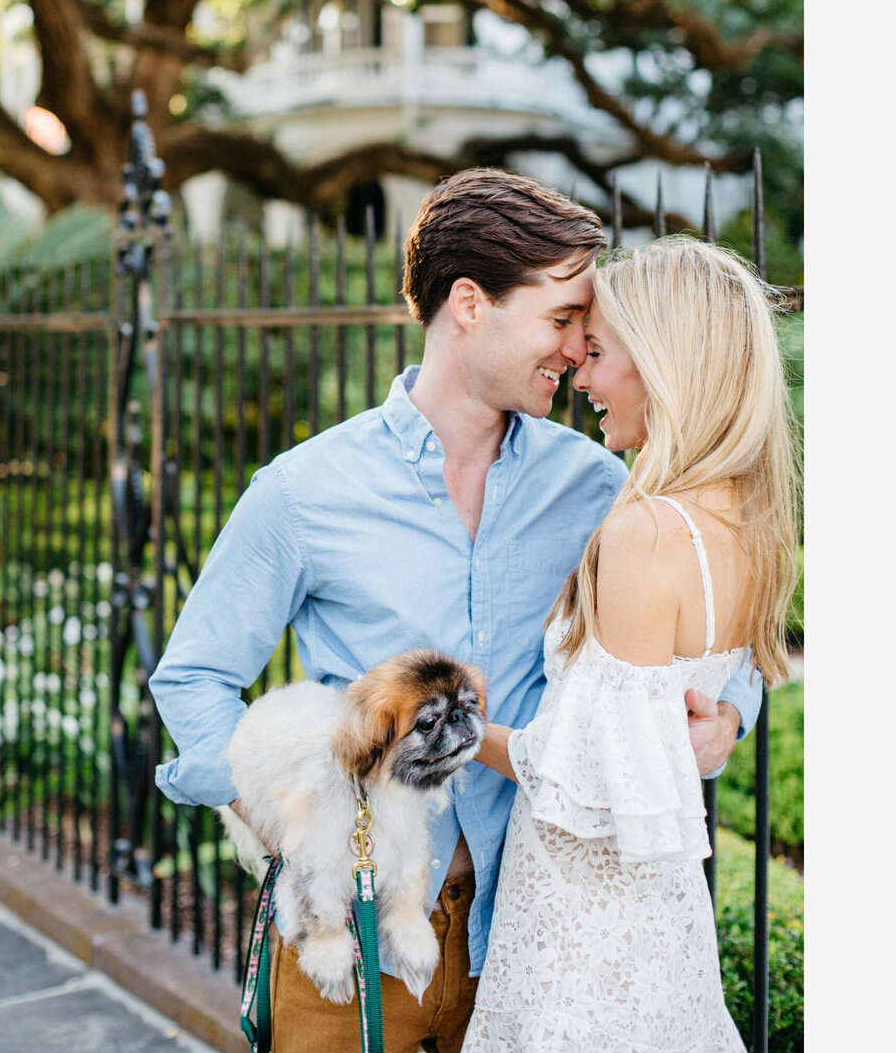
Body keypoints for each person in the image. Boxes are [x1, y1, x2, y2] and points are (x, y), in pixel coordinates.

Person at [149, 170, 763, 1053]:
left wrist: (728, 717)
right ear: (469, 304)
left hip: (529, 939)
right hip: (354, 937)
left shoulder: (599, 488)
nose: (576, 350)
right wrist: (286, 816)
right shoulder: (305, 491)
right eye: (561, 321)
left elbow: (718, 627)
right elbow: (195, 678)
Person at [462, 236, 799, 1052]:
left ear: (661, 363)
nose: (581, 377)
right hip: (662, 928)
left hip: (582, 936)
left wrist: (450, 725)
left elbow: (582, 775)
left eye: (600, 353)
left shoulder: (646, 531)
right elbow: (670, 728)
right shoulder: (749, 528)